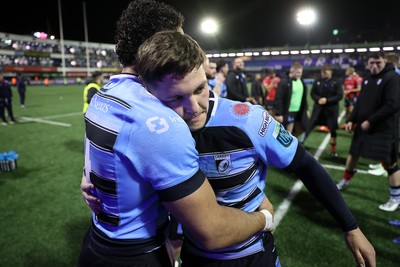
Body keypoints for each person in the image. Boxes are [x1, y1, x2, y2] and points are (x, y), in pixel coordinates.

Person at [84, 31, 376, 267]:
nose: (194, 107)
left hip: (251, 256)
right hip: (195, 256)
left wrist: (351, 227)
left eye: (201, 88)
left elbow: (305, 165)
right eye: (176, 98)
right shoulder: (151, 130)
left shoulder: (248, 119)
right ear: (150, 93)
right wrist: (90, 182)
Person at [78, 1, 272, 267]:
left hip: (96, 244)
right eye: (179, 40)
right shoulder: (158, 121)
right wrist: (264, 218)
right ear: (159, 46)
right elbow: (211, 231)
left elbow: (108, 156)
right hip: (138, 255)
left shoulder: (105, 95)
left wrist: (89, 180)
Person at [336, 51, 400, 213]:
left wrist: (370, 121)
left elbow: (392, 104)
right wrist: (351, 119)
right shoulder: (367, 79)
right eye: (372, 62)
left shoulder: (392, 78)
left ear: (385, 61)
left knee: (389, 163)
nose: (375, 66)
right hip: (364, 127)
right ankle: (345, 180)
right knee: (354, 154)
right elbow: (360, 104)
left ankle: (395, 198)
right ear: (367, 63)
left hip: (383, 129)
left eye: (378, 62)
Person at [306, 64, 343, 157]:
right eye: (322, 72)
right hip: (318, 109)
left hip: (331, 110)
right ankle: (301, 143)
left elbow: (339, 95)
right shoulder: (317, 80)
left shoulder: (337, 81)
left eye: (325, 72)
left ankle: (333, 150)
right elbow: (312, 93)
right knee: (309, 126)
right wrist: (318, 99)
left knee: (333, 129)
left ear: (330, 72)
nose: (322, 74)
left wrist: (327, 100)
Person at [274, 61, 309, 142]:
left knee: (304, 128)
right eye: (298, 73)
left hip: (300, 112)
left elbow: (303, 96)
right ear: (292, 71)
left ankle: (290, 142)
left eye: (301, 73)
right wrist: (278, 113)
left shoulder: (301, 81)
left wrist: (306, 108)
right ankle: (287, 146)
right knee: (288, 131)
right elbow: (278, 98)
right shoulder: (284, 82)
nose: (300, 74)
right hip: (289, 111)